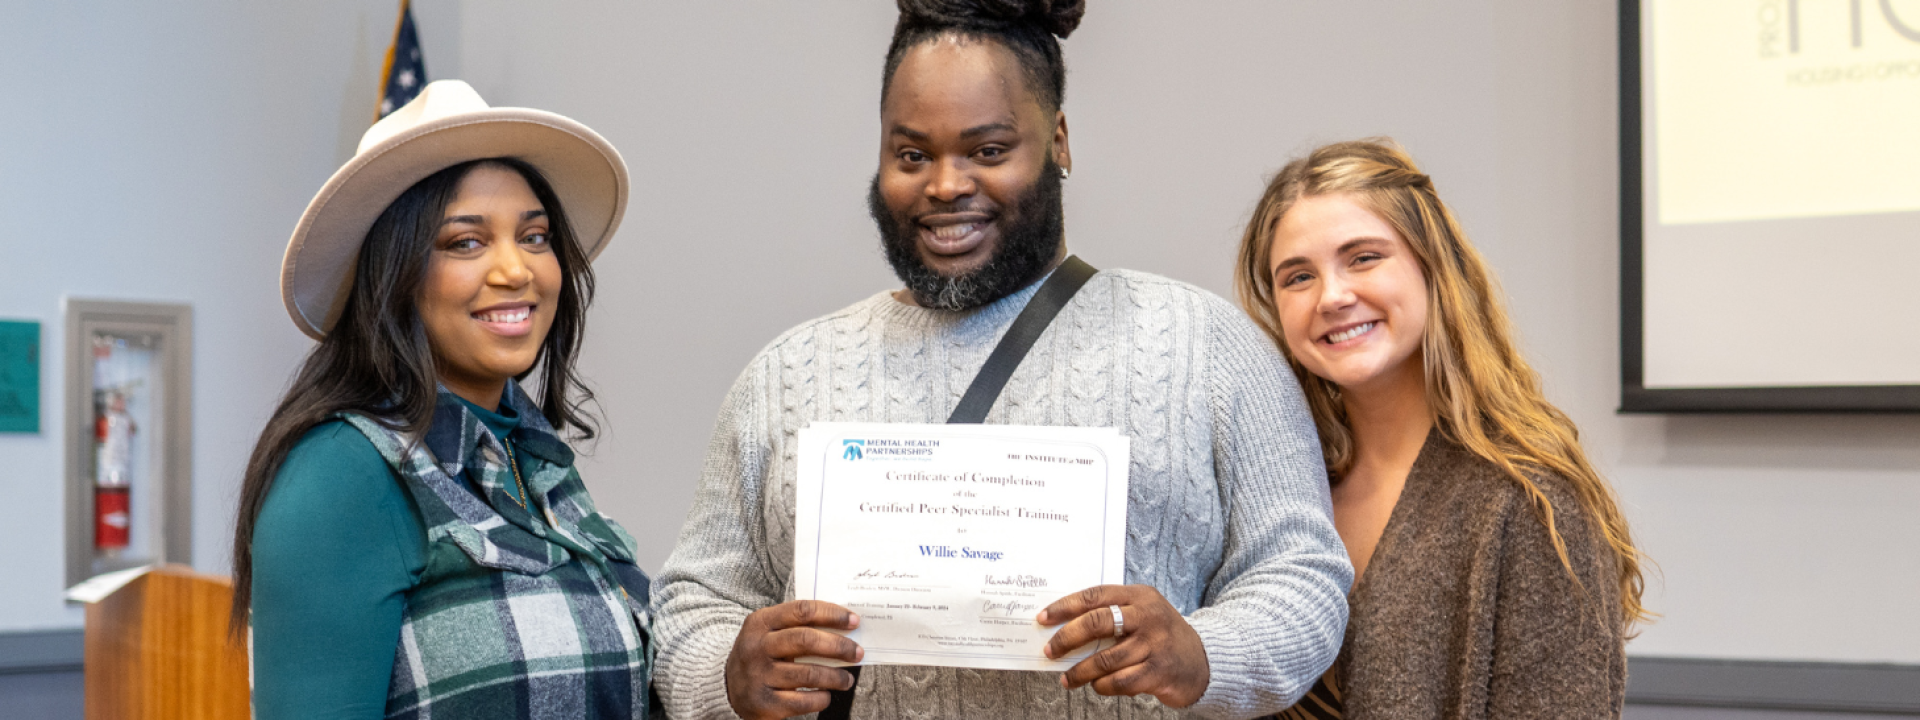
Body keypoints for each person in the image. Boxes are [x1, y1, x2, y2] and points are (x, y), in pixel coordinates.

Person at [651, 2, 1352, 718]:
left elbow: (1303, 574)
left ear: (1059, 142)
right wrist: (728, 675)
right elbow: (691, 610)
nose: (946, 184)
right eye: (913, 154)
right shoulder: (784, 377)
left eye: (987, 150)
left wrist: (1206, 653)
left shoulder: (1206, 345)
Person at [231, 80, 656, 719]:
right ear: (392, 274)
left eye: (535, 237)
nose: (517, 270)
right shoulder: (342, 475)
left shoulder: (532, 458)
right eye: (465, 242)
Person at [1233, 139, 1650, 718]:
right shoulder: (1279, 496)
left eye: (1363, 257)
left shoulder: (1530, 503)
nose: (1332, 296)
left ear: (1433, 267)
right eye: (1298, 276)